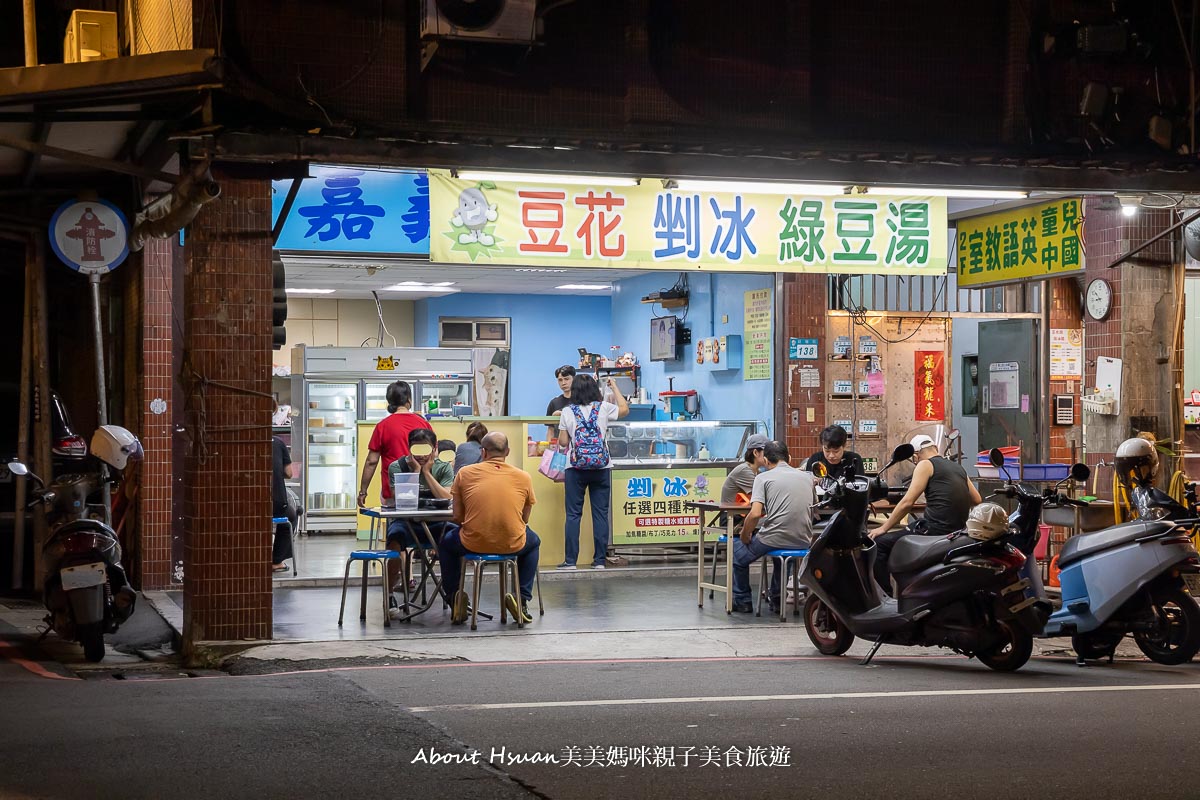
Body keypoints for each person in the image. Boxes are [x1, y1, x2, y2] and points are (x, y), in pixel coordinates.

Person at [439, 432, 541, 625]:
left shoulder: (464, 473)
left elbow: (457, 517)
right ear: (507, 452)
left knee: (446, 543)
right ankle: (522, 599)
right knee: (534, 542)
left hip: (472, 543)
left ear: (483, 452)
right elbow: (525, 518)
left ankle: (454, 597)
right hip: (512, 543)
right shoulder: (523, 477)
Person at [869, 434, 981, 593]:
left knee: (879, 543)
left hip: (933, 530)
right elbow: (977, 499)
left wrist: (883, 528)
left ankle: (885, 597)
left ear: (916, 456)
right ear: (935, 448)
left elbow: (907, 502)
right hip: (957, 531)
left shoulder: (925, 465)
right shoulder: (958, 467)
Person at [732, 441, 815, 613]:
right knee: (784, 557)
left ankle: (742, 601)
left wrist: (745, 534)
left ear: (767, 461)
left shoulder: (762, 478)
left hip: (773, 538)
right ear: (789, 458)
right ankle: (777, 600)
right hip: (803, 539)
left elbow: (755, 514)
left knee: (738, 556)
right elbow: (815, 508)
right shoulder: (808, 477)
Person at [556, 374, 629, 569]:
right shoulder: (603, 407)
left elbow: (563, 443)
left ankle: (571, 561)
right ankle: (599, 561)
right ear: (595, 391)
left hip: (575, 468)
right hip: (601, 467)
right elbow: (625, 409)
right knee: (600, 515)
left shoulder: (567, 411)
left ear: (575, 391)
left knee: (573, 515)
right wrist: (614, 387)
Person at [357, 380, 433, 509]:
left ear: (390, 401)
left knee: (395, 524)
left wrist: (363, 491)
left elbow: (372, 461)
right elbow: (433, 455)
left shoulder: (383, 426)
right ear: (409, 399)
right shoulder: (423, 424)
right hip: (422, 487)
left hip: (394, 491)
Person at [720, 433, 771, 505]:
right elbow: (764, 494)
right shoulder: (744, 471)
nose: (770, 456)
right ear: (756, 453)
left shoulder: (756, 471)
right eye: (766, 453)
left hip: (741, 513)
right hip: (731, 514)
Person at [271, 435, 295, 573]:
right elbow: (289, 473)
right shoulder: (279, 442)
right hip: (276, 504)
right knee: (291, 516)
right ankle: (277, 561)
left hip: (248, 504)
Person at [545, 365, 576, 439]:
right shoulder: (554, 402)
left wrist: (562, 414)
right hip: (559, 444)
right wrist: (548, 449)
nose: (563, 383)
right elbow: (550, 430)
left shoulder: (581, 400)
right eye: (560, 380)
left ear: (574, 379)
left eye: (566, 379)